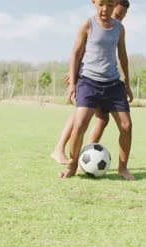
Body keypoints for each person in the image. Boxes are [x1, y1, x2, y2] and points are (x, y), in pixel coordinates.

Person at [59, 0, 135, 181]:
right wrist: (73, 83)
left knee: (126, 126)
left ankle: (123, 168)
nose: (105, 9)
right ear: (94, 2)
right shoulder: (88, 24)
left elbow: (122, 56)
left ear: (115, 4)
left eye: (109, 5)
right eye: (101, 4)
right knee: (80, 124)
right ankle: (73, 164)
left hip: (112, 84)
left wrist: (127, 83)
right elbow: (76, 54)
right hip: (88, 81)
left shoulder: (119, 28)